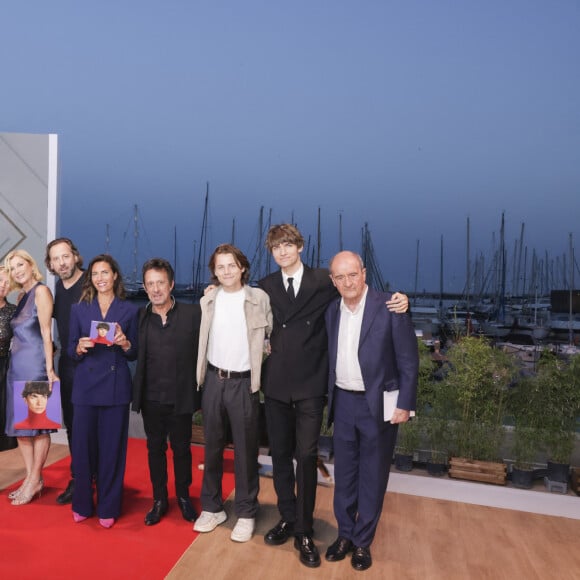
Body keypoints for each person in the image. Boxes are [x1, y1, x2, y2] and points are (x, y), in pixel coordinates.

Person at [258, 224, 409, 568]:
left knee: (308, 455)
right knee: (281, 455)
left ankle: (307, 529)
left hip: (314, 388)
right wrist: (213, 293)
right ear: (271, 252)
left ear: (299, 246)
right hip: (281, 385)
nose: (282, 252)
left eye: (288, 245)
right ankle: (290, 518)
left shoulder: (324, 282)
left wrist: (402, 299)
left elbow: (368, 298)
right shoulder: (265, 286)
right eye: (276, 247)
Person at [324, 251, 419, 571]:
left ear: (364, 273)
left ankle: (363, 542)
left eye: (353, 274)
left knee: (373, 476)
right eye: (340, 277)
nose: (348, 282)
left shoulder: (390, 307)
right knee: (345, 476)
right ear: (332, 281)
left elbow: (408, 361)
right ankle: (345, 535)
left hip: (377, 404)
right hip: (343, 402)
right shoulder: (331, 311)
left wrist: (406, 404)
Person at [194, 244, 272, 543]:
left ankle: (247, 511)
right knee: (211, 448)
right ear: (214, 271)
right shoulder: (209, 299)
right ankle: (212, 508)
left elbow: (274, 334)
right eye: (220, 266)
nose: (226, 271)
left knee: (245, 451)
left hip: (244, 384)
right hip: (213, 380)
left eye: (232, 265)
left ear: (242, 267)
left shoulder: (259, 299)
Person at [68, 254, 138, 528]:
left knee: (112, 450)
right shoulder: (79, 310)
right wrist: (79, 346)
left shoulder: (130, 310)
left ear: (115, 276)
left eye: (105, 272)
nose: (100, 278)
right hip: (85, 388)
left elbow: (135, 354)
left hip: (116, 388)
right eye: (95, 273)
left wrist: (124, 343)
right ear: (91, 278)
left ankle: (109, 505)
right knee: (83, 450)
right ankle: (82, 503)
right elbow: (72, 349)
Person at [132, 258, 201, 526]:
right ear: (145, 288)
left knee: (182, 450)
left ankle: (183, 496)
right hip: (151, 399)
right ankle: (159, 499)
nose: (156, 289)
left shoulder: (194, 314)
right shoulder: (140, 317)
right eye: (150, 284)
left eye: (160, 282)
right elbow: (130, 350)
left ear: (171, 284)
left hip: (181, 397)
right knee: (154, 449)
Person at [4, 249, 59, 506]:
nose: (16, 270)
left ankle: (36, 478)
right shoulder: (21, 295)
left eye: (20, 264)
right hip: (16, 367)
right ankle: (29, 478)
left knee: (38, 427)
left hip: (35, 366)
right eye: (12, 267)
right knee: (24, 431)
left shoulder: (41, 291)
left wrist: (49, 370)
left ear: (30, 264)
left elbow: (47, 333)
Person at [45, 237, 85, 504]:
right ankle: (78, 478)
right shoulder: (58, 287)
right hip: (68, 367)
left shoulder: (93, 283)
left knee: (92, 426)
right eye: (56, 259)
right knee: (72, 426)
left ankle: (97, 478)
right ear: (50, 264)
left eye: (65, 256)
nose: (62, 263)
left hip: (93, 366)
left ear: (75, 256)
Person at [0, 266, 17, 451]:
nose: (3, 286)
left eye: (7, 282)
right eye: (0, 280)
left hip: (4, 367)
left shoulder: (13, 311)